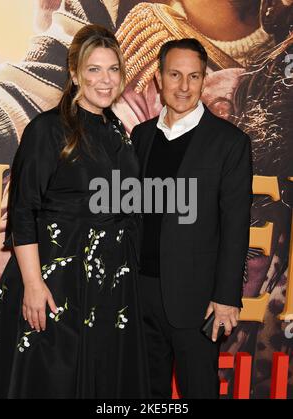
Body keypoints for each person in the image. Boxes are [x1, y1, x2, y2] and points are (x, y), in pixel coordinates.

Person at [0, 23, 149, 399]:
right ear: (75, 73)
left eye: (113, 69)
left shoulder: (121, 133)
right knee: (54, 383)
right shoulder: (47, 130)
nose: (105, 79)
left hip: (109, 284)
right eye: (94, 69)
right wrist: (33, 285)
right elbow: (24, 211)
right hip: (54, 280)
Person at [131, 38, 253, 399]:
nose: (184, 86)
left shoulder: (230, 143)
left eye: (194, 76)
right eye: (175, 75)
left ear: (203, 80)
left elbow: (235, 226)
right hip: (142, 293)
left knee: (198, 389)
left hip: (197, 300)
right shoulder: (140, 136)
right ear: (158, 79)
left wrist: (227, 297)